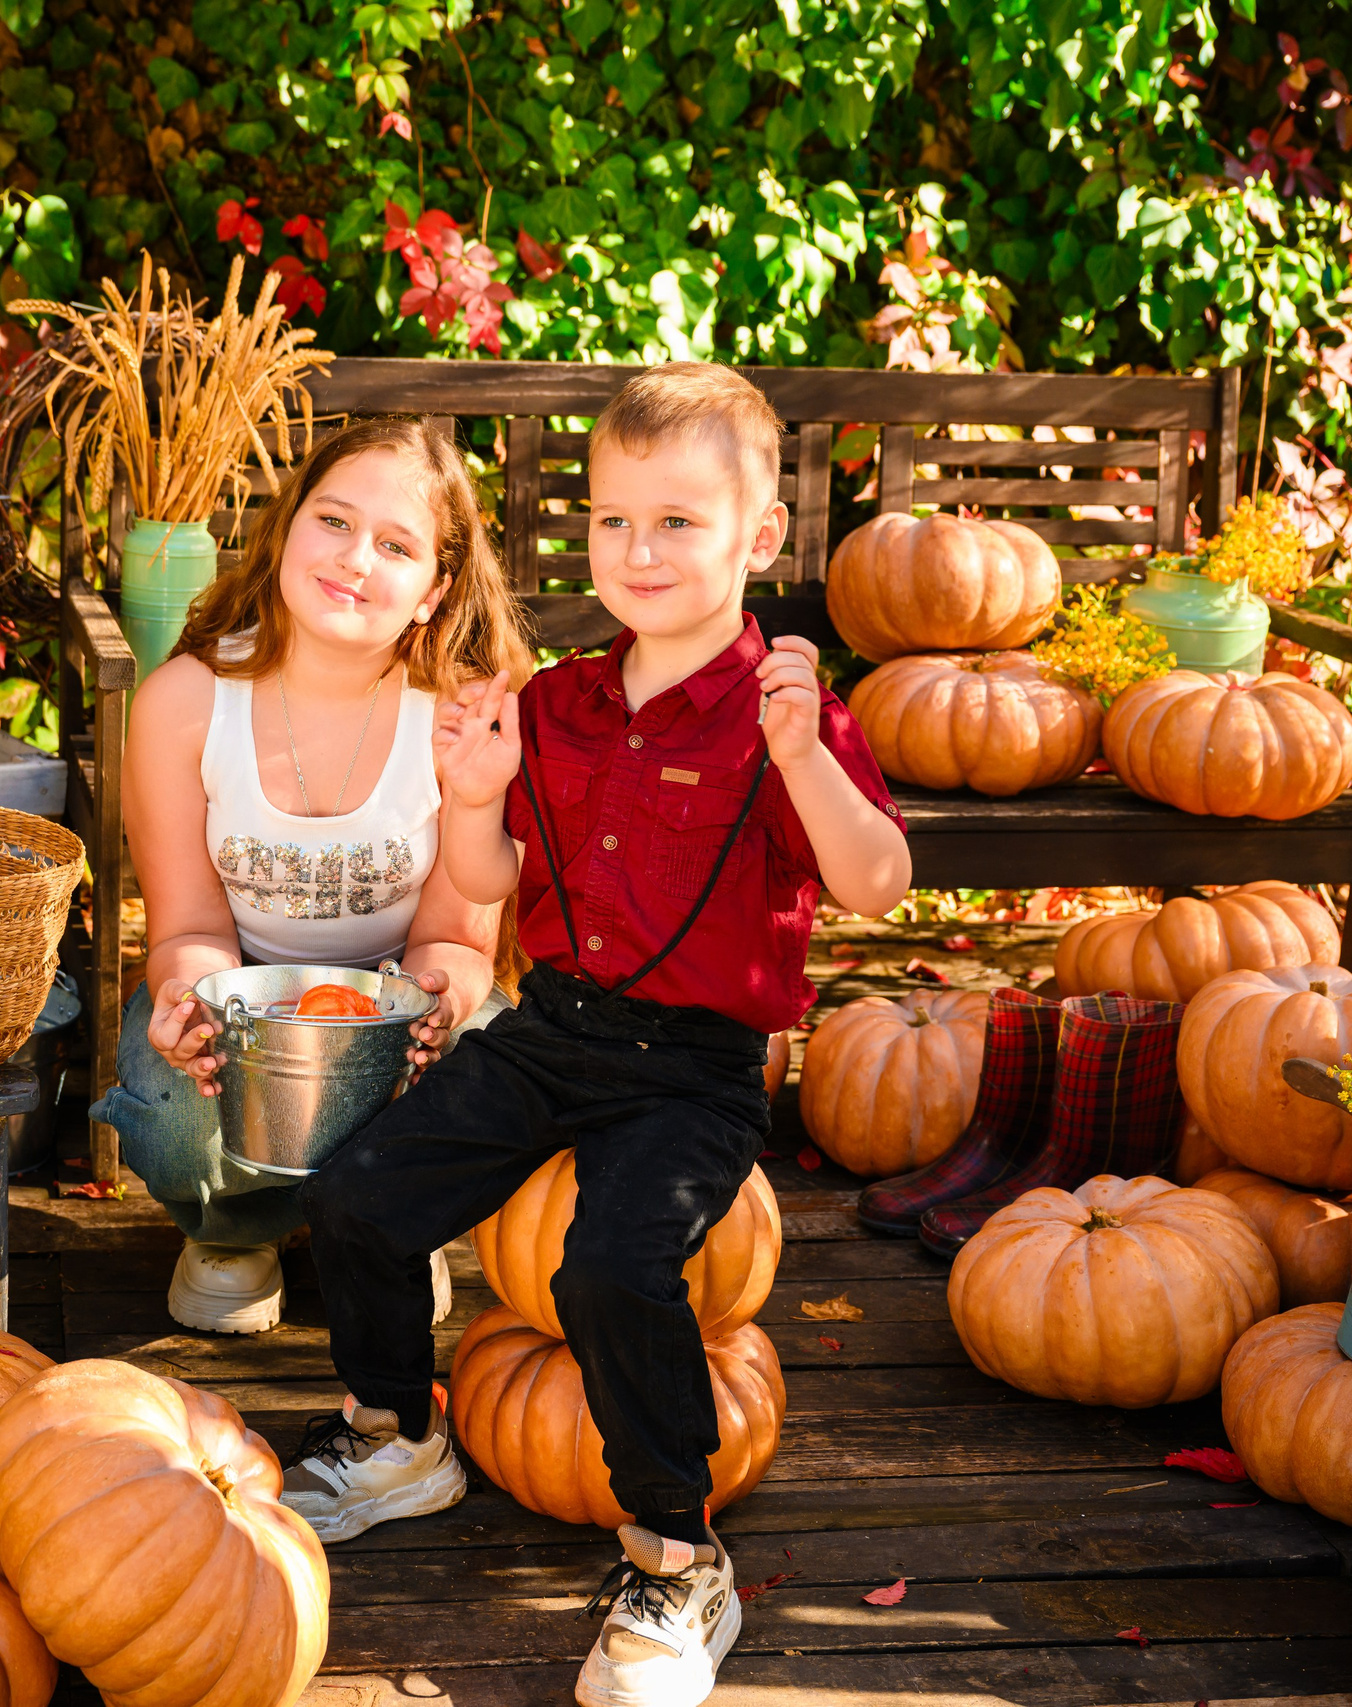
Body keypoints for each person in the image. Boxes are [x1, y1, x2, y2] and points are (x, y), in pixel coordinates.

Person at [286, 364, 913, 1707]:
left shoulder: (790, 708)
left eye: (679, 521)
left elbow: (876, 884)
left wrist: (804, 756)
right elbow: (494, 880)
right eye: (613, 519)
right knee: (359, 1194)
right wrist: (472, 792)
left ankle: (678, 1558)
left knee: (612, 1270)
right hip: (554, 1025)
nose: (638, 549)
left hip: (694, 1066)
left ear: (760, 536)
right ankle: (397, 1428)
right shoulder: (560, 701)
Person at [90, 414, 534, 1335]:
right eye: (333, 521)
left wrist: (438, 999)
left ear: (433, 589)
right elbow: (183, 927)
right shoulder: (184, 704)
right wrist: (190, 998)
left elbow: (458, 932)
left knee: (490, 1061)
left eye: (396, 544)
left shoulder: (458, 717)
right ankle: (235, 1229)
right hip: (243, 991)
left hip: (393, 996)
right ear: (288, 527)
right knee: (172, 1104)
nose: (354, 558)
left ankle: (388, 1231)